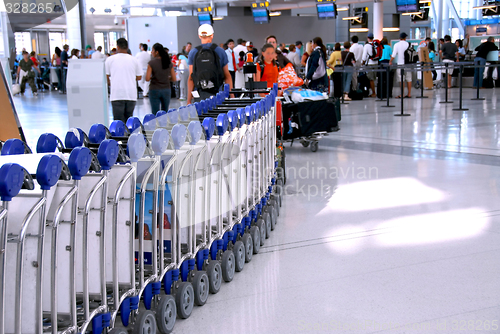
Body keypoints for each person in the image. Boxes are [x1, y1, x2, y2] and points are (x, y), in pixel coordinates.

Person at [187, 24, 232, 104]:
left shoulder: (193, 52)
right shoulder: (220, 51)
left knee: (201, 115)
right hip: (217, 94)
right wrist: (232, 96)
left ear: (199, 36)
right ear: (212, 35)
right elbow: (227, 75)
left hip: (199, 95)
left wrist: (189, 100)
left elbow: (191, 77)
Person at [105, 38, 142, 123]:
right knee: (129, 120)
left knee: (118, 122)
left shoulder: (110, 59)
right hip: (131, 94)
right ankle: (129, 136)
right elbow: (139, 77)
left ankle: (120, 136)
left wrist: (111, 82)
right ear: (127, 47)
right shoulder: (134, 60)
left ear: (117, 47)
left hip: (116, 94)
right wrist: (130, 77)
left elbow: (106, 76)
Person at [146, 43, 176, 115]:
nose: (151, 52)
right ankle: (164, 125)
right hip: (166, 89)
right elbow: (174, 78)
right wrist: (166, 78)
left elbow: (147, 78)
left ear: (157, 52)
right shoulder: (168, 62)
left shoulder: (151, 63)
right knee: (165, 111)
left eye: (152, 50)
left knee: (155, 112)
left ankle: (156, 126)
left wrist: (154, 77)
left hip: (154, 89)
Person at [390, 32, 412, 98]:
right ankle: (409, 94)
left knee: (401, 79)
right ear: (405, 38)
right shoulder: (408, 44)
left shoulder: (396, 45)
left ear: (400, 38)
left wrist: (390, 61)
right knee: (409, 79)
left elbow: (393, 55)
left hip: (400, 64)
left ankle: (402, 94)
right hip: (408, 64)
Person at [362, 33, 379, 97]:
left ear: (367, 38)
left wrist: (362, 63)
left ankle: (373, 93)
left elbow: (364, 56)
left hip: (370, 64)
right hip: (376, 63)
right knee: (374, 78)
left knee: (371, 79)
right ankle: (375, 91)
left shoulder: (367, 46)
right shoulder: (376, 45)